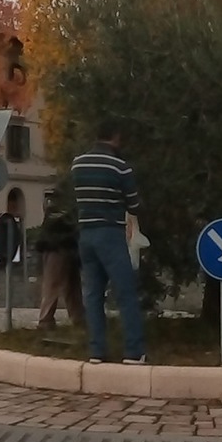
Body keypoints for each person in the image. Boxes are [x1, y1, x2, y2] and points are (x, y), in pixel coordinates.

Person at [71, 119, 146, 364]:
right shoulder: (120, 167)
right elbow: (134, 205)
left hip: (86, 234)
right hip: (111, 233)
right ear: (115, 137)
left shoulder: (78, 164)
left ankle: (96, 350)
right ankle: (134, 351)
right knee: (125, 292)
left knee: (93, 294)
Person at [36, 186, 85, 330]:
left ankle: (77, 317)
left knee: (70, 285)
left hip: (63, 247)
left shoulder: (54, 210)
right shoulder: (60, 211)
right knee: (54, 284)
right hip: (58, 247)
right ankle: (46, 319)